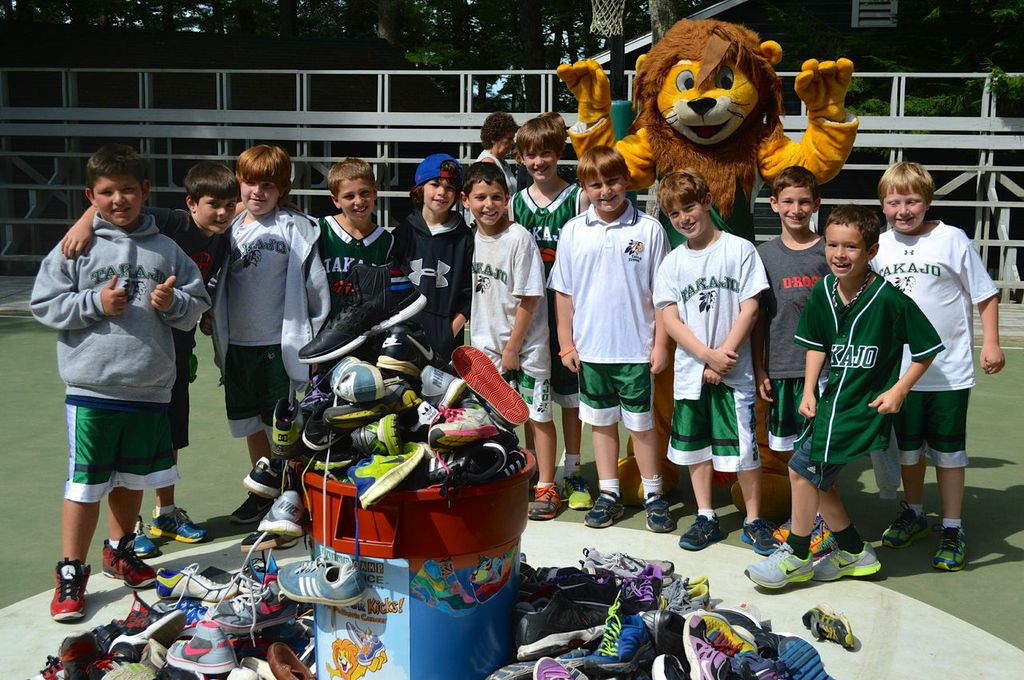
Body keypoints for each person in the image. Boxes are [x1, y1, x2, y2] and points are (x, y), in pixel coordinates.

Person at [31, 143, 210, 620]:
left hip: (150, 389)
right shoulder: (77, 245)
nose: (119, 200)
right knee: (86, 484)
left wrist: (173, 305)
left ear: (144, 191)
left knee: (131, 481)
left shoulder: (167, 249)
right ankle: (71, 569)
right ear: (92, 195)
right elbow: (44, 304)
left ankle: (119, 550)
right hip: (93, 390)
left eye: (128, 190)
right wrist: (94, 304)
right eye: (107, 192)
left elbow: (197, 303)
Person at [745, 204, 944, 590]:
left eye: (851, 247)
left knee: (802, 470)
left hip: (861, 409)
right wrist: (807, 388)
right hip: (829, 400)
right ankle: (855, 553)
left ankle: (799, 556)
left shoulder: (888, 299)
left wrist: (898, 389)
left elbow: (927, 349)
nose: (839, 254)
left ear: (871, 251)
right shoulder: (823, 290)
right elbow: (817, 343)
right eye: (833, 245)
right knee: (820, 481)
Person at [57, 161, 239, 554]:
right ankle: (128, 529)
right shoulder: (170, 224)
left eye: (230, 204)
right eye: (214, 204)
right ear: (191, 203)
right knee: (123, 449)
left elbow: (201, 287)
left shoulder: (223, 240)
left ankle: (166, 512)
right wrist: (83, 222)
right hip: (133, 351)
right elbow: (118, 204)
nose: (223, 213)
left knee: (168, 436)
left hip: (176, 350)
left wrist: (201, 313)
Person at [872, 161, 1004, 571]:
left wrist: (992, 343)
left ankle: (951, 526)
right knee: (909, 452)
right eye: (894, 202)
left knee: (948, 454)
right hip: (899, 376)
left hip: (948, 372)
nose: (903, 210)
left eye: (912, 201)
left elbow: (984, 294)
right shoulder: (878, 247)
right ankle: (913, 512)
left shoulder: (953, 239)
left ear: (927, 201)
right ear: (883, 205)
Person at [548, 145, 670, 532]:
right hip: (591, 350)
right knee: (600, 425)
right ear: (584, 186)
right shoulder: (572, 231)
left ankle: (654, 494)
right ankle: (609, 492)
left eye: (613, 181)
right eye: (595, 184)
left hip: (636, 349)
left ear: (627, 181)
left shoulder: (649, 229)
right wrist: (566, 343)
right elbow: (563, 292)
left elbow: (664, 294)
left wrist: (662, 344)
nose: (605, 191)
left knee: (641, 425)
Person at [652, 169, 773, 553]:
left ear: (706, 201)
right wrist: (706, 356)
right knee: (695, 448)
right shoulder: (672, 262)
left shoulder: (739, 250)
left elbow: (750, 307)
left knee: (744, 448)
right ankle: (706, 516)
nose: (684, 218)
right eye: (675, 214)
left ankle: (755, 520)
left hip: (732, 372)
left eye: (689, 207)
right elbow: (669, 317)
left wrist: (724, 357)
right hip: (692, 372)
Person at [211, 145, 330, 525]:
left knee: (282, 425)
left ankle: (294, 495)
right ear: (238, 183)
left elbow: (316, 291)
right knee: (251, 425)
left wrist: (315, 340)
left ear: (282, 190)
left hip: (277, 346)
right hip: (236, 346)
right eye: (249, 183)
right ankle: (264, 491)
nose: (257, 192)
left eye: (267, 185)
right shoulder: (226, 229)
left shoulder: (294, 228)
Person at [462, 162, 558, 519]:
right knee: (492, 419)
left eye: (497, 197)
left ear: (508, 199)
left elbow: (530, 297)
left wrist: (513, 347)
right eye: (480, 197)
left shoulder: (518, 238)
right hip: (487, 348)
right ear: (466, 200)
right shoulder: (470, 238)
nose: (489, 204)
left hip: (524, 348)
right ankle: (515, 474)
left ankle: (547, 483)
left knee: (538, 416)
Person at [510, 114, 591, 511]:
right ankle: (535, 468)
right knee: (531, 398)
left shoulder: (578, 197)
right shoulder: (514, 203)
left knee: (569, 397)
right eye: (530, 155)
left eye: (545, 153)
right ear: (521, 159)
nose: (538, 162)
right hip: (528, 313)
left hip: (567, 311)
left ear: (559, 153)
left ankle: (572, 468)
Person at [750, 166, 832, 527]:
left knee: (819, 454)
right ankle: (805, 520)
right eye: (788, 201)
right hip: (781, 368)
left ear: (816, 204)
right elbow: (757, 319)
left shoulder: (830, 252)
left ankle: (819, 522)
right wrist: (759, 368)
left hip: (825, 371)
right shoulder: (762, 255)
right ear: (773, 204)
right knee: (794, 455)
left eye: (803, 201)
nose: (796, 209)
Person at [394, 153, 474, 363]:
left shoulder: (465, 239)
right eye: (435, 184)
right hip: (402, 336)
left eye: (449, 187)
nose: (442, 193)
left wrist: (447, 333)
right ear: (420, 188)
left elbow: (468, 296)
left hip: (444, 344)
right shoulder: (402, 234)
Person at [319, 157, 398, 314]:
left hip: (365, 330)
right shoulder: (320, 230)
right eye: (349, 196)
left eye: (364, 193)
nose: (359, 201)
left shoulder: (386, 241)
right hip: (323, 329)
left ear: (375, 193)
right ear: (336, 200)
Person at [476, 111, 519, 195]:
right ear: (494, 139)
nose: (513, 142)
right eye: (509, 138)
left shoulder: (501, 162)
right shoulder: (488, 163)